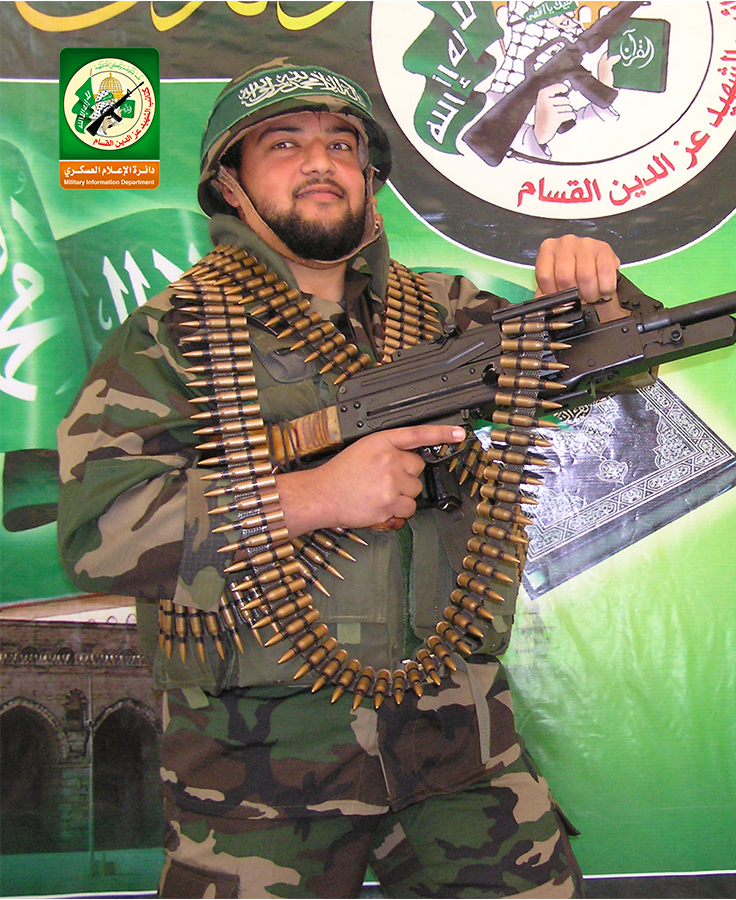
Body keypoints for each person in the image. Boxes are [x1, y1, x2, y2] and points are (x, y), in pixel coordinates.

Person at [57, 59, 621, 898]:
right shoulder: (172, 335)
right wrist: (311, 497)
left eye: (342, 144)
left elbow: (609, 372)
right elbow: (96, 534)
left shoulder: (446, 312)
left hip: (458, 747)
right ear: (230, 184)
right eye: (284, 144)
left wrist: (597, 298)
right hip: (256, 770)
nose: (320, 162)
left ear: (371, 179)